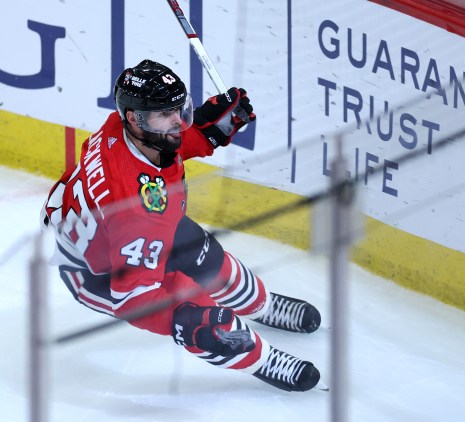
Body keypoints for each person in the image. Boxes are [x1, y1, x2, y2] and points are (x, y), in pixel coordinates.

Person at [40, 59, 323, 392]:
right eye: (166, 114)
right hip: (98, 274)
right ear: (134, 118)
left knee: (208, 256)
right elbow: (131, 298)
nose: (178, 122)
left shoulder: (127, 129)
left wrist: (206, 128)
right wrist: (181, 322)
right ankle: (265, 361)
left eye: (181, 109)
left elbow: (168, 148)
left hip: (120, 234)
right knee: (201, 319)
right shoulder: (136, 206)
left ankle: (264, 306)